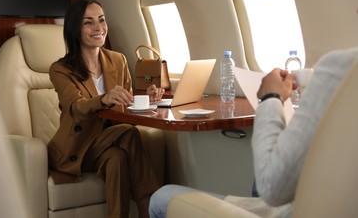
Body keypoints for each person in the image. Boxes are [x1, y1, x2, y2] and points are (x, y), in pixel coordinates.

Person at [149, 47, 358, 218]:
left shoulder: (341, 66)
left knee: (162, 197)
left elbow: (272, 188)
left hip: (297, 209)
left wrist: (270, 97)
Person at [48, 0, 165, 218]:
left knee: (117, 159)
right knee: (129, 133)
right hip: (76, 148)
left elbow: (127, 103)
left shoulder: (117, 60)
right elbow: (76, 107)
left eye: (101, 20)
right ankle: (146, 208)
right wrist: (104, 98)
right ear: (75, 29)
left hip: (108, 144)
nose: (98, 27)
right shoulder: (60, 69)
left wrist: (147, 98)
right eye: (88, 22)